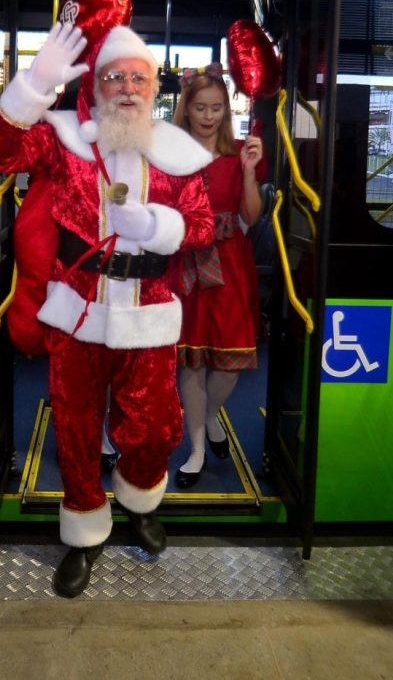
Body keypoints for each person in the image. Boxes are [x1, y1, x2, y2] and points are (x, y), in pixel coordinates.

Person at [0, 15, 213, 598]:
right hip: (77, 311)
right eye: (115, 77)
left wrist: (161, 225)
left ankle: (139, 500)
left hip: (151, 313)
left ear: (154, 87)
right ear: (96, 86)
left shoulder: (177, 154)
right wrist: (35, 83)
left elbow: (205, 226)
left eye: (139, 78)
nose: (128, 88)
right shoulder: (62, 140)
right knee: (78, 431)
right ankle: (84, 535)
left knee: (155, 427)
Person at [170, 64, 264, 489]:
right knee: (189, 363)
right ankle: (196, 449)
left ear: (227, 111)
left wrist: (247, 173)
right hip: (185, 260)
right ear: (186, 109)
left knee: (229, 364)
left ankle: (210, 417)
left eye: (217, 109)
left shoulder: (241, 152)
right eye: (201, 108)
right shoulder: (168, 153)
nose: (209, 116)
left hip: (230, 264)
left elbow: (251, 216)